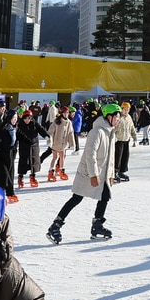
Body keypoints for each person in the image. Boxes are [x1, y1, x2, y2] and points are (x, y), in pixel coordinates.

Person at [46, 103, 119, 244]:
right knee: (76, 198)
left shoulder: (110, 132)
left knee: (104, 196)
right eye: (116, 116)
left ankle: (97, 225)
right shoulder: (97, 132)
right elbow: (90, 155)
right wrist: (93, 174)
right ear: (108, 117)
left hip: (102, 174)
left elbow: (110, 157)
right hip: (88, 173)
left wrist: (110, 175)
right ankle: (55, 226)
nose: (118, 119)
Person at [46, 107, 73, 182]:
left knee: (62, 157)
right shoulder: (56, 121)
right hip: (56, 143)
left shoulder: (69, 122)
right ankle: (51, 171)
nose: (66, 114)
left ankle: (62, 170)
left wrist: (72, 143)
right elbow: (50, 132)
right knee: (55, 157)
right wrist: (50, 141)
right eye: (64, 113)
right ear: (61, 113)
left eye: (67, 113)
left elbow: (70, 133)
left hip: (63, 143)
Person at [112, 103, 135, 181]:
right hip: (118, 140)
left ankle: (121, 172)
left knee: (125, 157)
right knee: (117, 157)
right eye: (125, 110)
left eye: (128, 110)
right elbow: (113, 128)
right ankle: (115, 172)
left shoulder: (129, 117)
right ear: (121, 109)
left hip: (126, 139)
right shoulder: (118, 117)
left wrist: (134, 137)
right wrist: (114, 137)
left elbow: (132, 127)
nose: (126, 111)